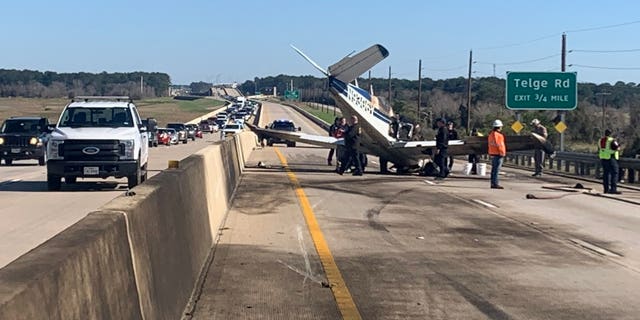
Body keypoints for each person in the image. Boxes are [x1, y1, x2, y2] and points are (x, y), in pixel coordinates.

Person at [598, 129, 621, 194]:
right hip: (611, 158)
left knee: (606, 174)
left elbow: (600, 148)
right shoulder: (612, 140)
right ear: (611, 134)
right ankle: (613, 189)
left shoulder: (600, 140)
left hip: (603, 158)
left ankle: (606, 189)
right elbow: (617, 148)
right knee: (614, 173)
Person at [488, 119, 507, 189]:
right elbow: (500, 145)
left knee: (493, 169)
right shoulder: (499, 135)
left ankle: (493, 183)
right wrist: (502, 153)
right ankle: (495, 183)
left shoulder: (491, 134)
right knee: (496, 170)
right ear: (499, 127)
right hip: (498, 154)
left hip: (492, 153)